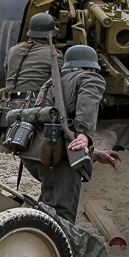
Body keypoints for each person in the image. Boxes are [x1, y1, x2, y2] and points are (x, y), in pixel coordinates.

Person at [21, 44, 119, 224]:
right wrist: (84, 135)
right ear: (91, 68)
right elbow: (87, 105)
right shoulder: (90, 78)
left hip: (37, 155)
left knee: (47, 208)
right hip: (60, 160)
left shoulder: (50, 83)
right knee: (61, 219)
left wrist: (95, 155)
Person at [1, 12, 64, 109]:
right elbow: (60, 84)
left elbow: (7, 74)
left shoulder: (12, 50)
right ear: (51, 34)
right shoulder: (54, 55)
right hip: (35, 107)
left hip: (7, 106)